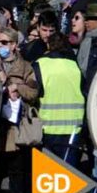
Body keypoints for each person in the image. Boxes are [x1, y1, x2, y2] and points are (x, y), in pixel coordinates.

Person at [0, 26, 38, 193]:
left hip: (16, 131)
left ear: (14, 45)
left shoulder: (26, 67)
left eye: (4, 43)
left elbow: (34, 93)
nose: (0, 46)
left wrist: (16, 86)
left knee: (16, 175)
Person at [32, 32, 83, 162]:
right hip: (73, 129)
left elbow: (33, 94)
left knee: (49, 177)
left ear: (48, 45)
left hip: (47, 129)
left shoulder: (40, 64)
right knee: (70, 175)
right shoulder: (75, 65)